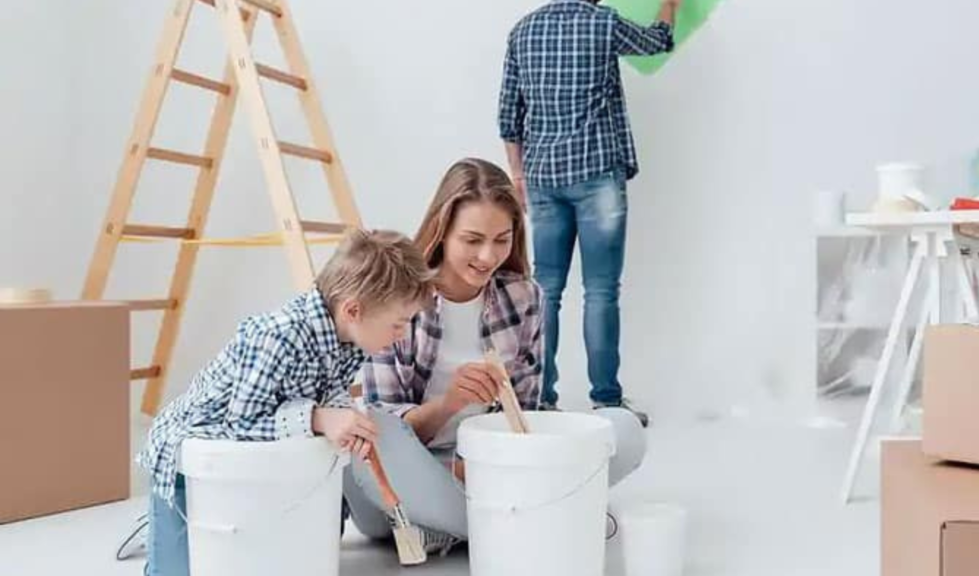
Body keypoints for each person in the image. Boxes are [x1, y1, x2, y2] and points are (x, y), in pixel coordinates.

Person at [345, 157, 646, 554]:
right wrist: (449, 403)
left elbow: (526, 415)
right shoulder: (395, 297)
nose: (488, 256)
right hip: (413, 470)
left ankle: (458, 528)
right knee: (373, 436)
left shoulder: (524, 298)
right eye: (472, 240)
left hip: (488, 469)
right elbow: (386, 423)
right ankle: (530, 519)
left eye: (501, 240)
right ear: (442, 231)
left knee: (622, 430)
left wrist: (491, 463)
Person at [136, 229, 434, 576]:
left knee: (284, 545)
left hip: (256, 459)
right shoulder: (279, 337)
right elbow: (241, 424)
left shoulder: (352, 340)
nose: (403, 334)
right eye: (398, 324)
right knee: (176, 568)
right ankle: (155, 532)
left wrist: (341, 414)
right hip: (191, 454)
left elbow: (328, 389)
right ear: (353, 309)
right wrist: (320, 419)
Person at [498, 0, 682, 426]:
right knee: (601, 291)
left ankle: (540, 397)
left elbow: (509, 118)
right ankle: (607, 400)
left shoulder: (523, 30)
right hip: (597, 172)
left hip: (542, 175)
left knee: (545, 290)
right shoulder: (602, 23)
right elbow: (658, 41)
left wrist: (518, 176)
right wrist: (669, 5)